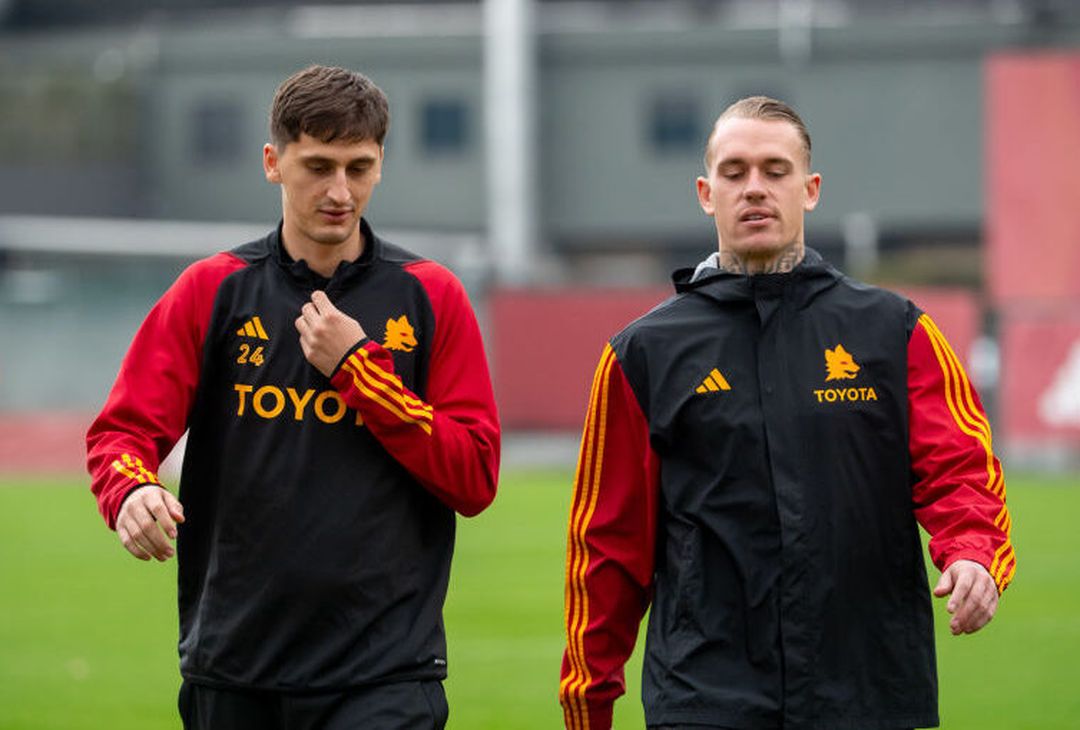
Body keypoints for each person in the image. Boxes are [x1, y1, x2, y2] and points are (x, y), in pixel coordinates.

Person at [559, 96, 1014, 730]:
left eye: (775, 170)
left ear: (810, 189)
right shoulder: (642, 354)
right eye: (734, 171)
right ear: (706, 193)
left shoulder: (895, 332)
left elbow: (960, 469)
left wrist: (971, 553)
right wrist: (588, 701)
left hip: (867, 694)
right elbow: (606, 545)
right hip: (705, 698)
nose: (755, 188)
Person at [87, 65, 500, 729]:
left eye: (359, 168)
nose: (340, 191)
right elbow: (122, 433)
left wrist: (360, 372)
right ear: (273, 162)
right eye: (318, 166)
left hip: (385, 671)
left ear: (381, 164)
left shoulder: (431, 296)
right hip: (235, 663)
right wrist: (130, 490)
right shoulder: (213, 289)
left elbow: (474, 476)